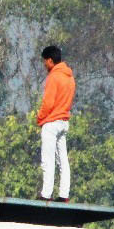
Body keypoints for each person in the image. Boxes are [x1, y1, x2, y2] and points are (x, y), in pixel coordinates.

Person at [37, 45, 75, 201]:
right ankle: (64, 195)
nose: (44, 65)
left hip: (51, 123)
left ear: (50, 60)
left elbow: (48, 103)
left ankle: (46, 194)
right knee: (63, 161)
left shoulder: (54, 76)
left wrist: (39, 118)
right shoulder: (69, 77)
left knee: (48, 160)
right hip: (64, 121)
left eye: (45, 62)